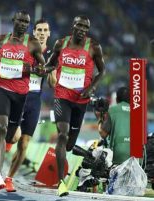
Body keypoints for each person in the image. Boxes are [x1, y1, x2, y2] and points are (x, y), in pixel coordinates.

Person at [0, 10, 45, 191]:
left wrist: (35, 68)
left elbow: (42, 67)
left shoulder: (32, 43)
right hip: (2, 90)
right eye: (21, 21)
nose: (23, 24)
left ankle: (6, 158)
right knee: (1, 126)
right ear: (13, 21)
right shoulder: (1, 40)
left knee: (10, 135)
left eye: (26, 22)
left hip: (21, 95)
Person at [45, 15, 105, 196]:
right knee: (62, 135)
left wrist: (92, 87)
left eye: (85, 27)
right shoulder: (60, 44)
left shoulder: (94, 47)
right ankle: (61, 182)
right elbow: (50, 64)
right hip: (62, 96)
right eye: (79, 25)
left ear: (88, 29)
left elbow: (102, 71)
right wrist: (43, 69)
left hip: (81, 100)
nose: (81, 29)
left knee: (70, 144)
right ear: (73, 25)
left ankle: (79, 155)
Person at [4, 19, 52, 192]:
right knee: (14, 137)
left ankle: (9, 178)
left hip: (34, 100)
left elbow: (53, 83)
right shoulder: (26, 48)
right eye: (38, 29)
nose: (41, 32)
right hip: (18, 95)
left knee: (24, 144)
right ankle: (8, 141)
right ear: (34, 32)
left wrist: (50, 70)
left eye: (44, 30)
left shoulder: (52, 53)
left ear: (49, 33)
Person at [97, 87, 130, 165]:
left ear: (116, 99)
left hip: (119, 155)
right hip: (139, 157)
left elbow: (103, 134)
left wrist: (100, 118)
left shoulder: (112, 110)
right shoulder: (139, 112)